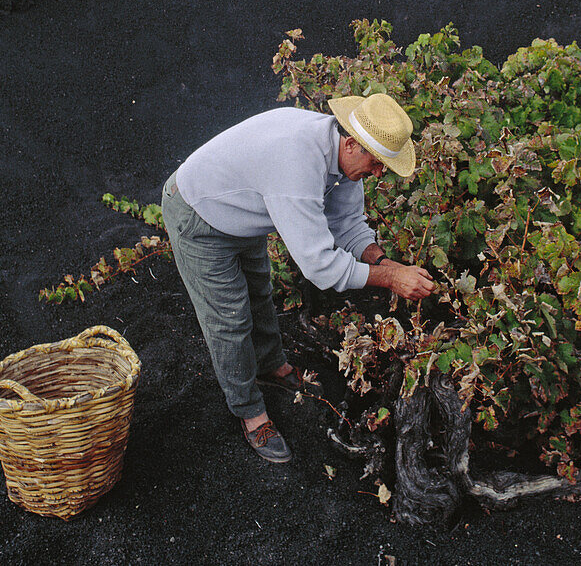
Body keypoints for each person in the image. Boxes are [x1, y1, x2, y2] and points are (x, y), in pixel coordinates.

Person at [161, 92, 434, 463]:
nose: (379, 173)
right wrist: (389, 280)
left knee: (259, 293)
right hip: (199, 214)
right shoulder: (295, 161)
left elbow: (348, 224)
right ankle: (249, 411)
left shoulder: (341, 155)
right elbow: (320, 265)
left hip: (241, 215)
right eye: (377, 163)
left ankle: (271, 366)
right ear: (353, 144)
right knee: (229, 319)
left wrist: (389, 264)